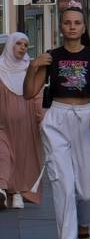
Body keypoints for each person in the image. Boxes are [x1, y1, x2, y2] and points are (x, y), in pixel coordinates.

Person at [22, 3, 90, 239]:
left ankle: (83, 227)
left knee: (86, 189)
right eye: (67, 22)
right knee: (62, 184)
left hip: (85, 117)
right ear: (61, 26)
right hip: (56, 117)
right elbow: (28, 93)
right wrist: (33, 66)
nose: (72, 27)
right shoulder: (51, 56)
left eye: (76, 23)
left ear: (83, 27)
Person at [0, 31, 43, 211]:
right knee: (3, 155)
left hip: (26, 123)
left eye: (25, 45)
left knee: (21, 156)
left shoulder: (30, 69)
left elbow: (36, 94)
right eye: (18, 44)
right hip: (2, 124)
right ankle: (2, 188)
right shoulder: (0, 68)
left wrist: (41, 116)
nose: (22, 48)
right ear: (10, 45)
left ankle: (16, 192)